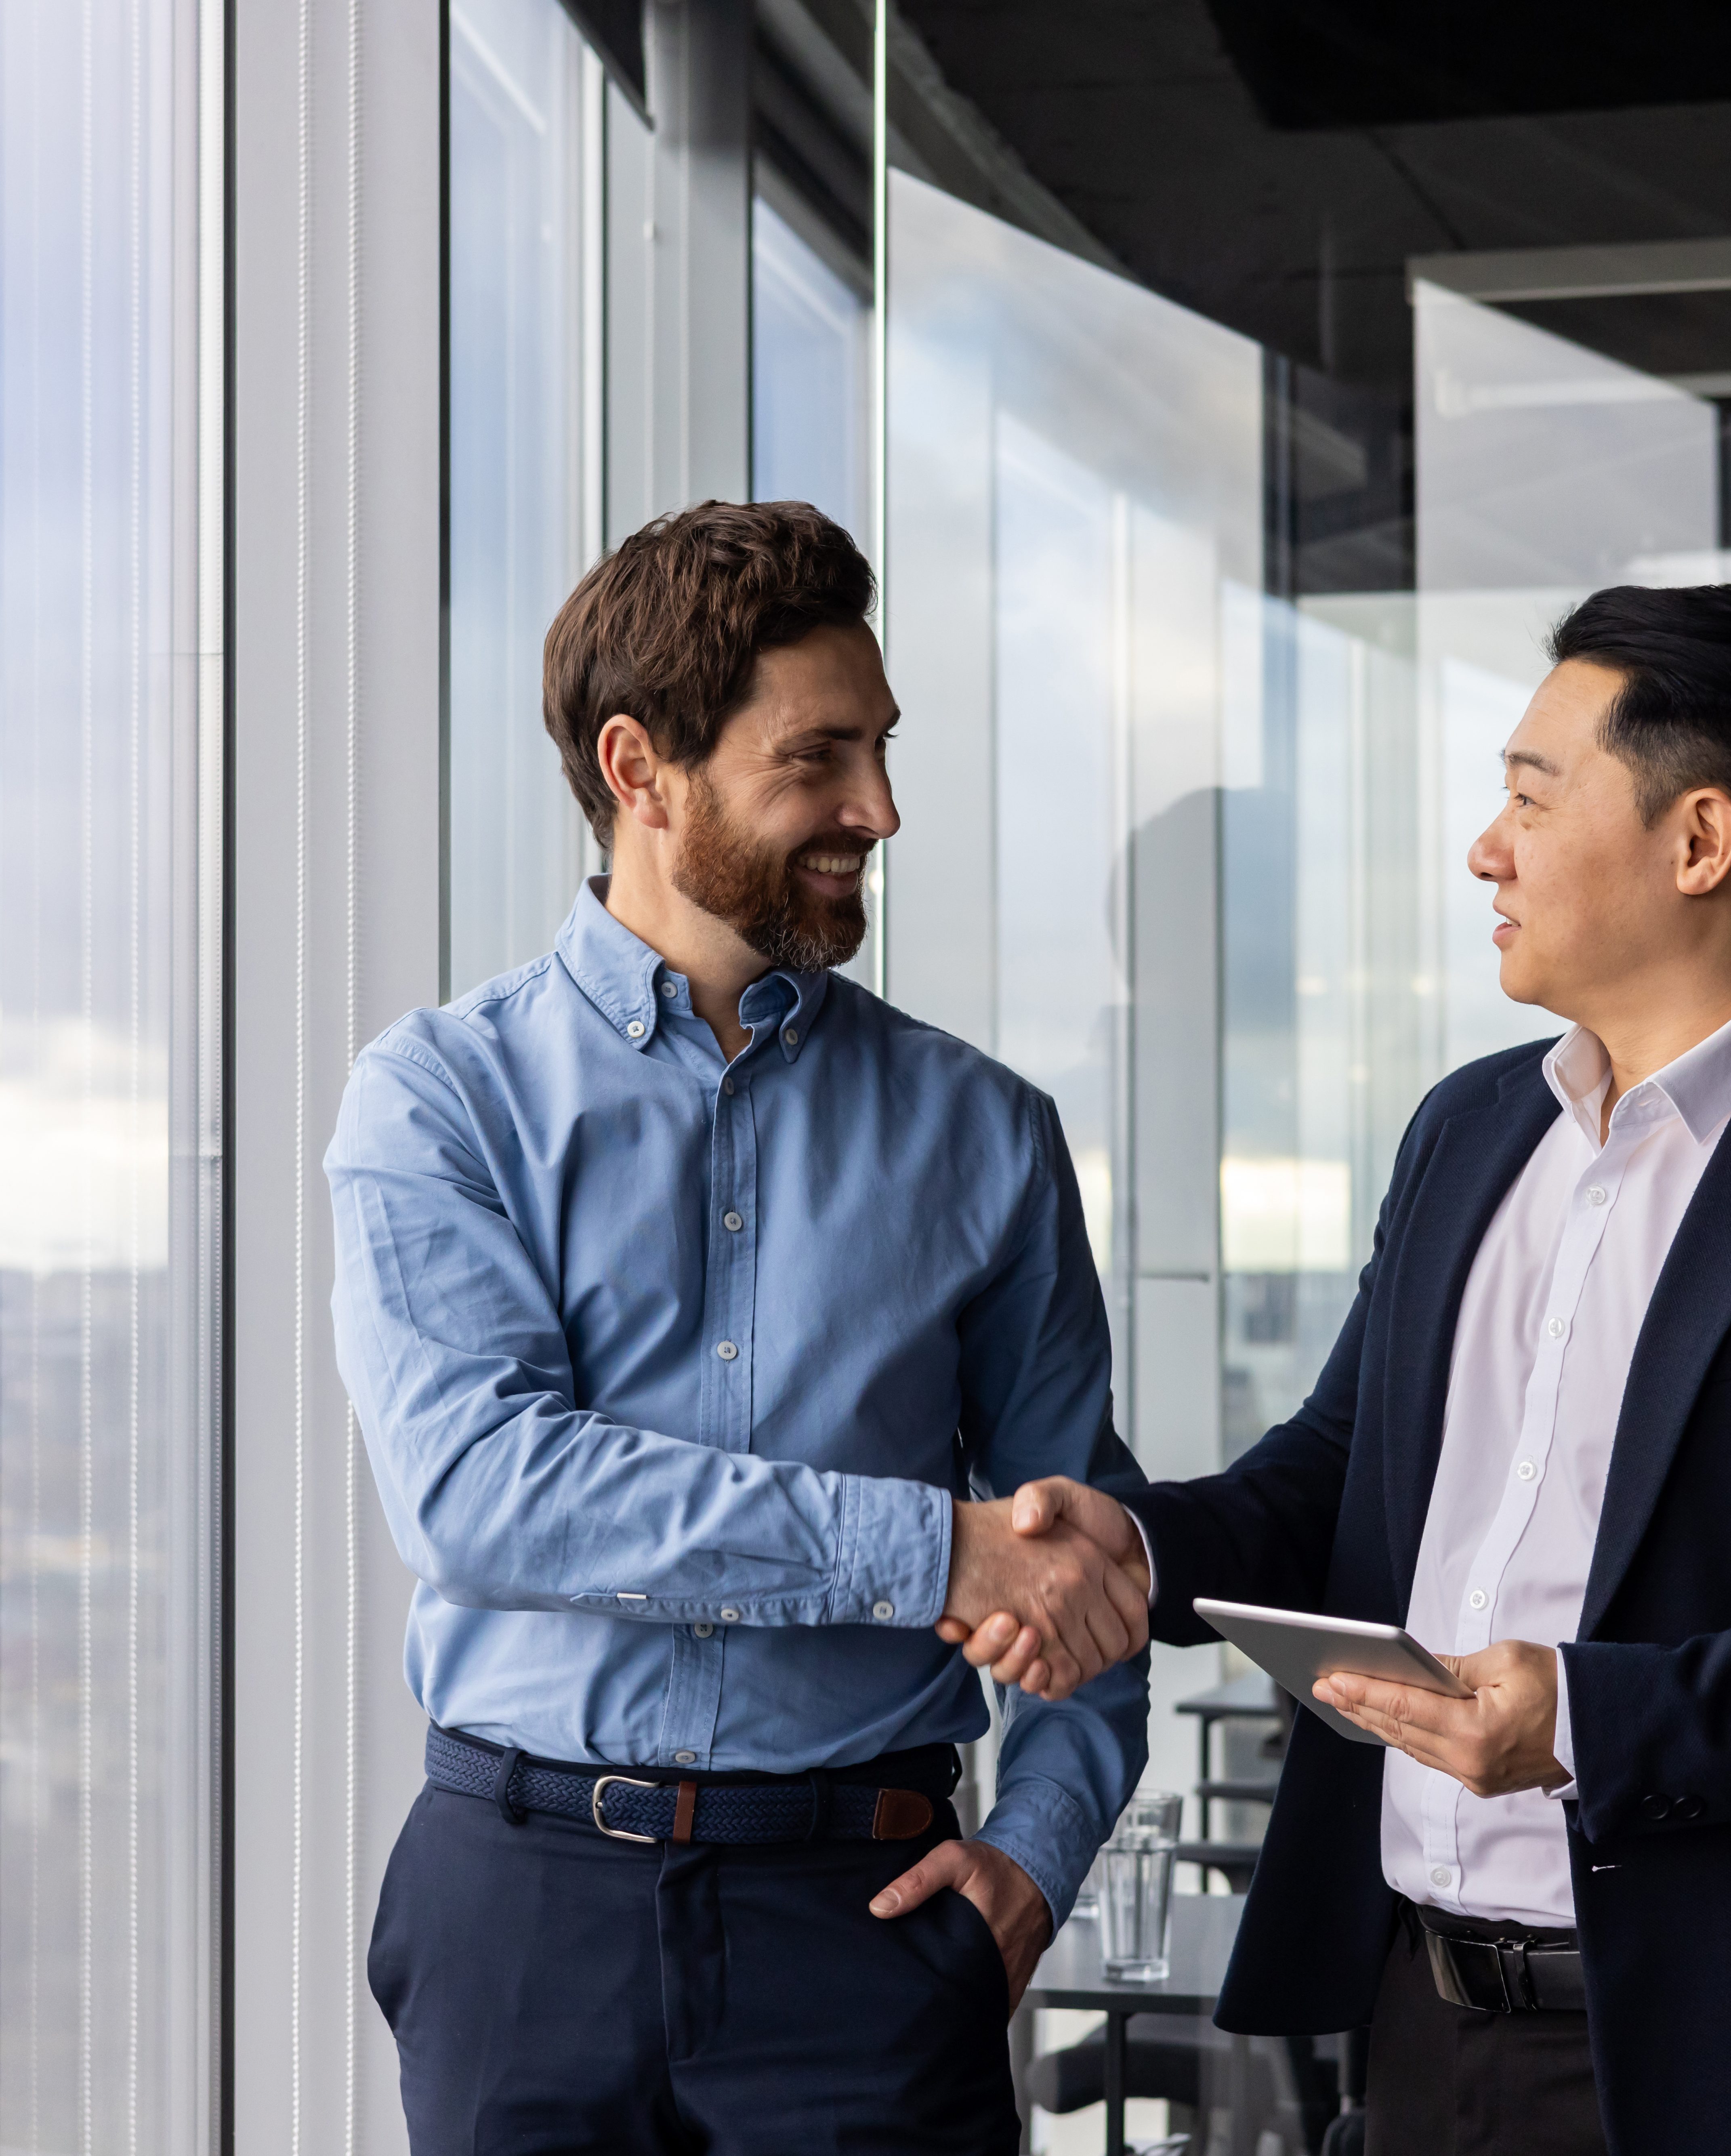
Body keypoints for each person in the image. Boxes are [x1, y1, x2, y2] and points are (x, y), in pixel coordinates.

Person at [953, 584, 1731, 2154]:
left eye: (1527, 795)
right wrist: (1144, 1547)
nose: (1482, 849)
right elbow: (1339, 1482)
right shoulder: (1469, 1133)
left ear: (1696, 841)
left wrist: (1595, 1716)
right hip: (1421, 2024)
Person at [327, 500, 1153, 2154]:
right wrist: (927, 1553)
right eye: (820, 759)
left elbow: (1079, 1561)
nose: (879, 809)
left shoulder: (985, 1134)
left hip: (867, 1925)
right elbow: (485, 1495)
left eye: (884, 750)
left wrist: (1033, 1862)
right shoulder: (439, 1101)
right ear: (641, 770)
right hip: (524, 1918)